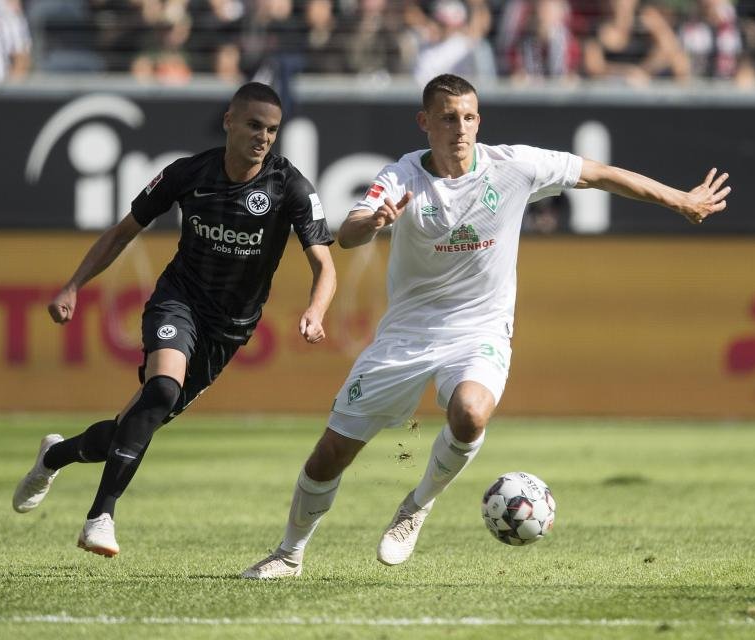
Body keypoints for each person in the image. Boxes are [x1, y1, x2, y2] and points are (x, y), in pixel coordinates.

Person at [241, 73, 729, 579]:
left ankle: (417, 506)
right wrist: (376, 221)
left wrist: (680, 199)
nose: (461, 128)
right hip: (408, 334)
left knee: (471, 413)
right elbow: (349, 235)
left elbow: (599, 173)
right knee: (331, 455)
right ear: (425, 122)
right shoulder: (403, 175)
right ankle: (289, 554)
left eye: (469, 117)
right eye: (449, 118)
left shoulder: (512, 166)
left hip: (481, 329)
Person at [12, 82, 337, 558]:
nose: (262, 136)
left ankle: (53, 456)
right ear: (229, 121)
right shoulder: (188, 173)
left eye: (271, 129)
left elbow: (324, 264)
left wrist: (316, 309)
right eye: (252, 124)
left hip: (230, 329)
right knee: (162, 387)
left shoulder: (291, 187)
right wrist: (73, 285)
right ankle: (100, 517)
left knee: (132, 426)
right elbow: (123, 232)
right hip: (178, 299)